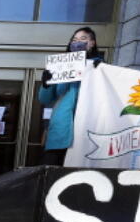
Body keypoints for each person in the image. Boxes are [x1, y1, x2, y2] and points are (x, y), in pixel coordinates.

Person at [37, 26, 104, 167]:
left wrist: (102, 71)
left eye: (83, 39)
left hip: (86, 128)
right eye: (74, 40)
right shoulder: (60, 66)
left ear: (92, 43)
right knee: (51, 168)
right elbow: (45, 99)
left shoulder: (99, 67)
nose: (77, 42)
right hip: (61, 128)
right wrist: (46, 84)